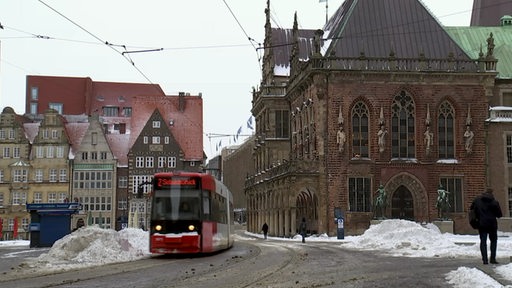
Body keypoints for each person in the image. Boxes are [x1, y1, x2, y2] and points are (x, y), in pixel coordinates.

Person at [470, 188, 503, 265]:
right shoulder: (494, 202)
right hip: (492, 225)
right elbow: (499, 215)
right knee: (493, 241)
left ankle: (485, 260)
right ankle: (493, 258)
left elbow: (472, 209)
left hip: (482, 224)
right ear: (492, 194)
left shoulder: (477, 201)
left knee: (483, 242)